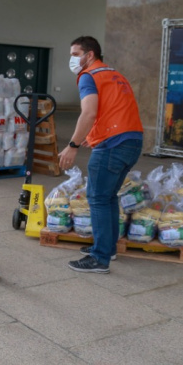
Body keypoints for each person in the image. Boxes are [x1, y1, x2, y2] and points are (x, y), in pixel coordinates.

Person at [58, 36, 143, 273]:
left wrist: (72, 145)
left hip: (113, 145)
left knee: (97, 198)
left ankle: (100, 258)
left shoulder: (88, 76)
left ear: (90, 55)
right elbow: (112, 110)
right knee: (108, 197)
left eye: (76, 54)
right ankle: (108, 248)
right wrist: (92, 135)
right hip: (132, 140)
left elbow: (89, 112)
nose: (72, 59)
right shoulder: (115, 75)